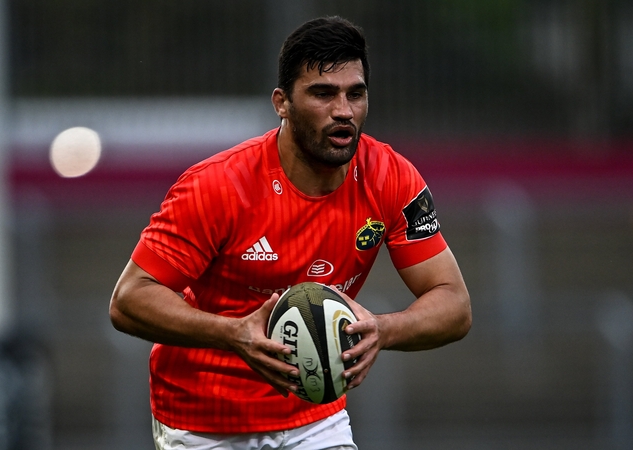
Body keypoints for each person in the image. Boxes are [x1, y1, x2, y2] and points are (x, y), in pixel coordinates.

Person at [109, 15, 471, 450]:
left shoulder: (392, 178)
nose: (343, 111)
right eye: (323, 93)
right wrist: (233, 334)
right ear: (282, 102)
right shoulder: (218, 186)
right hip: (203, 420)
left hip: (315, 417)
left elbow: (454, 304)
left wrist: (383, 329)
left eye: (355, 94)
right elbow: (128, 301)